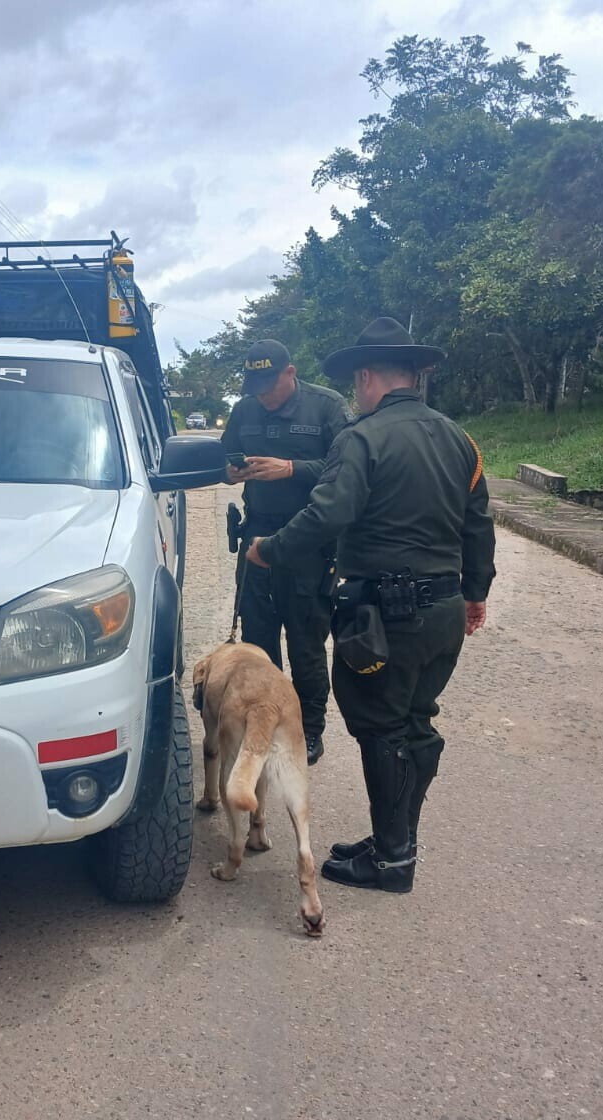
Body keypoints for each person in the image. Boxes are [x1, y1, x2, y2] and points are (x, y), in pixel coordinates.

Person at [245, 318, 496, 892]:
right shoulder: (461, 440)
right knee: (415, 723)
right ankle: (394, 840)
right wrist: (476, 592)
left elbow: (327, 513)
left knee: (382, 729)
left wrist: (269, 550)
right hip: (443, 610)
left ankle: (392, 859)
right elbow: (479, 523)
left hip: (384, 615)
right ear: (414, 374)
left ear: (364, 377)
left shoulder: (362, 438)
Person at [222, 339, 350, 766]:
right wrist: (231, 471)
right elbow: (223, 458)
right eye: (255, 387)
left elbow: (348, 469)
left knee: (305, 641)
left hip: (308, 540)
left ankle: (309, 729)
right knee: (258, 642)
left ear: (290, 373)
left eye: (269, 385)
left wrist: (292, 469)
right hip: (257, 535)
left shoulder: (326, 408)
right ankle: (266, 722)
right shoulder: (245, 409)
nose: (262, 395)